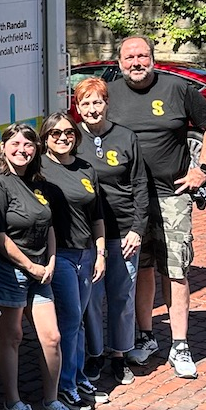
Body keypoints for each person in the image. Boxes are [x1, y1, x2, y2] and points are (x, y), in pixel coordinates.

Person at [106, 35, 206, 380]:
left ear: (153, 58)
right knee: (141, 268)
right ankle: (146, 336)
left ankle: (180, 344)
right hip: (130, 200)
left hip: (172, 194)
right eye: (130, 57)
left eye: (142, 55)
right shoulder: (111, 94)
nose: (136, 63)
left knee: (174, 269)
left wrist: (201, 169)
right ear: (119, 61)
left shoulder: (177, 88)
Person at [0, 124, 78, 410]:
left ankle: (51, 401)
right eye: (16, 143)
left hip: (40, 269)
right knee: (13, 337)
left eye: (28, 145)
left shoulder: (37, 181)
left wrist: (49, 260)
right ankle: (13, 404)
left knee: (52, 338)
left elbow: (48, 224)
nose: (22, 149)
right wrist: (29, 266)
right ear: (4, 146)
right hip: (10, 270)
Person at [74, 75, 150, 391]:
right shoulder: (69, 138)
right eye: (86, 103)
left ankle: (119, 354)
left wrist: (137, 229)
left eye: (97, 102)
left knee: (122, 294)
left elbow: (141, 185)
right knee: (91, 297)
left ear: (107, 103)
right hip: (86, 234)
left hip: (123, 232)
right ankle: (95, 354)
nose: (92, 109)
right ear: (77, 107)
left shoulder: (126, 138)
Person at [39, 112, 105, 410]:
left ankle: (77, 377)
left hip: (86, 253)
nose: (63, 137)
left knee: (77, 321)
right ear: (45, 138)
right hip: (60, 254)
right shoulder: (39, 168)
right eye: (55, 133)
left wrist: (101, 253)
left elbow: (97, 216)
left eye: (68, 132)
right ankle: (65, 386)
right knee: (70, 319)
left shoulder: (86, 169)